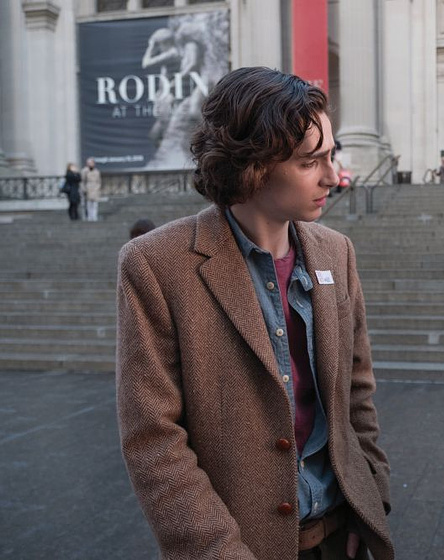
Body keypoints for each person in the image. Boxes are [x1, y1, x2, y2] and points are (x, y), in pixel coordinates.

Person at [116, 67, 393, 560]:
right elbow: (154, 441)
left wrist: (369, 496)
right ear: (255, 165)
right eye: (313, 161)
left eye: (333, 155)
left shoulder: (337, 252)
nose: (333, 176)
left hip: (341, 532)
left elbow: (357, 392)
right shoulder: (155, 264)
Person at [80, 157, 102, 221]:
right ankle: (89, 217)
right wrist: (83, 189)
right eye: (89, 163)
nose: (91, 164)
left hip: (95, 188)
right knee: (88, 204)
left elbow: (99, 181)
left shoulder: (96, 171)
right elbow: (82, 181)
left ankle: (94, 216)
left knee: (95, 204)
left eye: (92, 163)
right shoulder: (84, 171)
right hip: (88, 188)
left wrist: (98, 187)